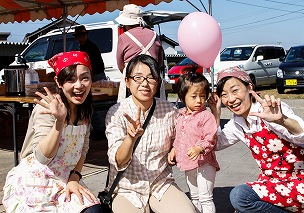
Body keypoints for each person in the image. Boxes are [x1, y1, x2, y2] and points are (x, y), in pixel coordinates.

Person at [207, 66, 304, 213]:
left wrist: (282, 120)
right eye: (224, 95)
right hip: (273, 183)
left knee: (240, 196)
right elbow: (216, 144)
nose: (231, 99)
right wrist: (216, 113)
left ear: (249, 87)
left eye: (235, 91)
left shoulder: (269, 110)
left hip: (302, 183)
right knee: (242, 207)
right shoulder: (237, 124)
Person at [2, 51, 102, 213]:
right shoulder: (47, 107)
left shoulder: (85, 110)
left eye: (85, 78)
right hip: (37, 177)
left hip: (66, 177)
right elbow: (42, 157)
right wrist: (59, 122)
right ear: (59, 82)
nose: (79, 85)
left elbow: (84, 148)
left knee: (94, 210)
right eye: (70, 79)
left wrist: (75, 176)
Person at [105, 54, 195, 213]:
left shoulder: (170, 111)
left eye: (151, 77)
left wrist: (176, 146)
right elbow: (118, 161)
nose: (145, 84)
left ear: (158, 82)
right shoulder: (117, 113)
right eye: (138, 78)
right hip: (126, 188)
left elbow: (187, 136)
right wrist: (130, 139)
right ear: (127, 82)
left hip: (160, 184)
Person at [168, 67, 220, 213]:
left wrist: (199, 148)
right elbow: (179, 137)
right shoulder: (180, 115)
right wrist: (174, 149)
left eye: (202, 96)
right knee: (195, 196)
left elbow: (211, 136)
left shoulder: (205, 116)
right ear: (183, 96)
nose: (199, 100)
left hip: (205, 164)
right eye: (194, 96)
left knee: (205, 198)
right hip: (188, 164)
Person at [115, 4, 165, 102]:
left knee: (130, 107)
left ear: (126, 23)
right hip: (152, 77)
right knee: (156, 108)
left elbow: (120, 65)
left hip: (133, 79)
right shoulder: (154, 35)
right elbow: (159, 63)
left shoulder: (123, 37)